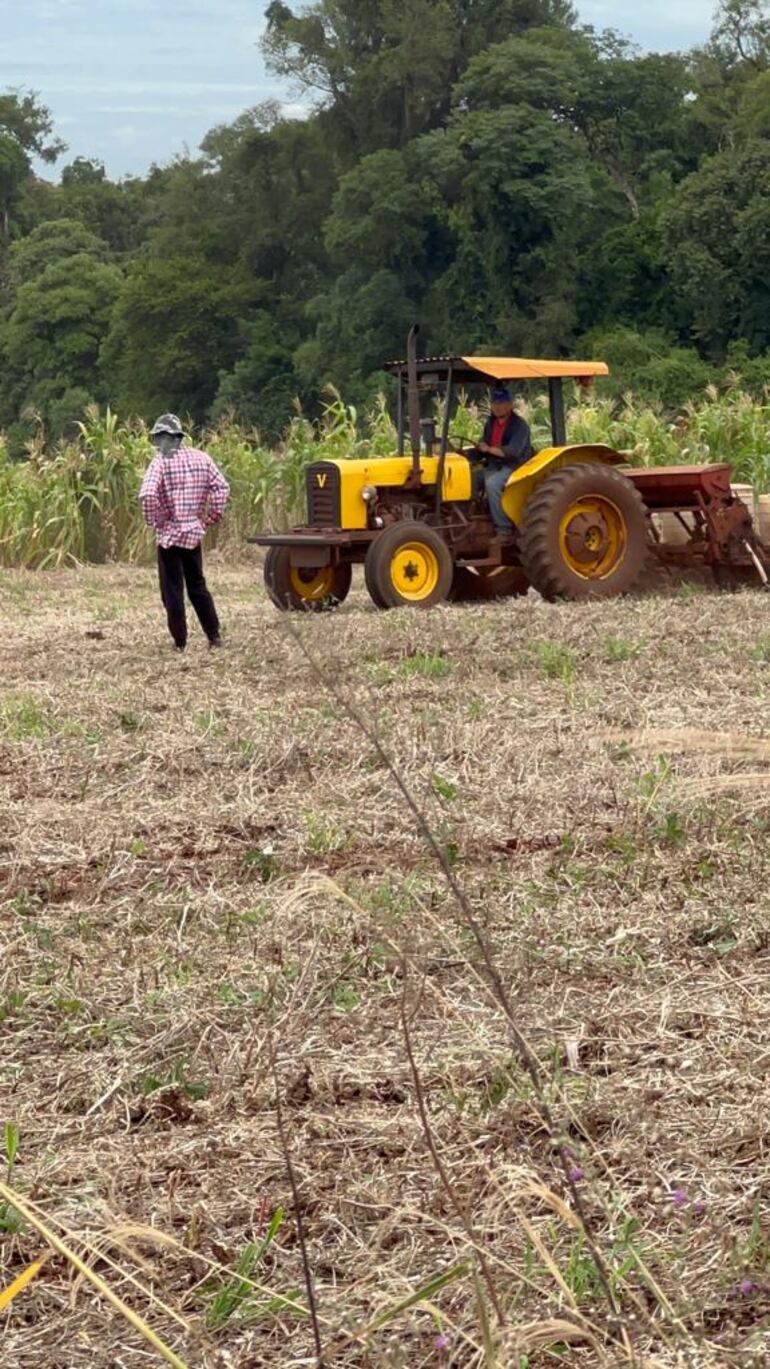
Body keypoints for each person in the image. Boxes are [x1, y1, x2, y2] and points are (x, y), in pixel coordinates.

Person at [139, 414, 230, 652]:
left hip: (170, 536)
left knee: (172, 590)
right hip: (193, 533)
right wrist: (210, 518)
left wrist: (155, 520)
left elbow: (148, 495)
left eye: (159, 437)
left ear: (165, 437)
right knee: (198, 585)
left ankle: (180, 641)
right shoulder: (202, 458)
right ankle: (214, 636)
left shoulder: (160, 462)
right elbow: (221, 488)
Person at [471, 387, 534, 539]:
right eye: (494, 403)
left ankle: (503, 529)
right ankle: (473, 517)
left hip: (515, 467)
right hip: (493, 465)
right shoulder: (491, 423)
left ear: (510, 405)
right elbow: (484, 445)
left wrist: (488, 449)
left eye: (502, 402)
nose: (497, 406)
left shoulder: (519, 426)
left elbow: (512, 452)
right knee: (469, 479)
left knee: (492, 484)